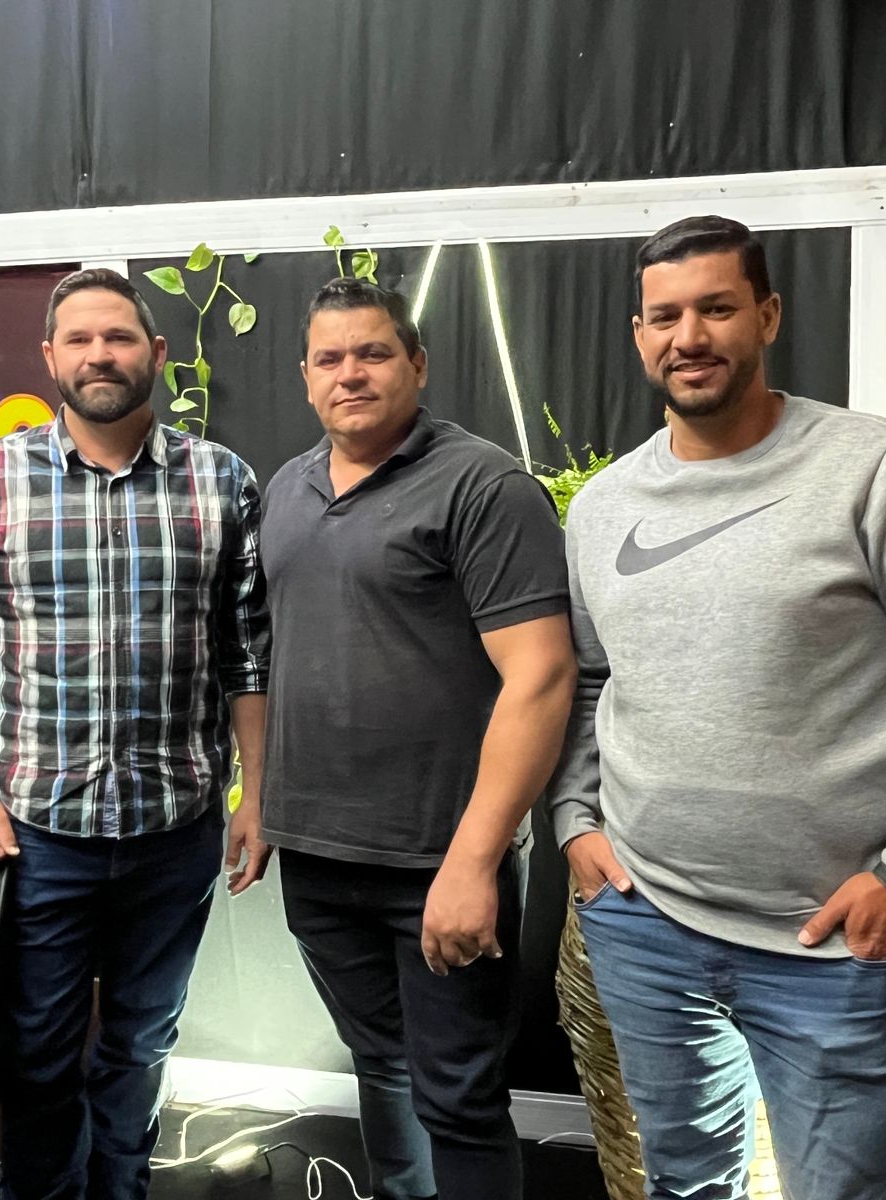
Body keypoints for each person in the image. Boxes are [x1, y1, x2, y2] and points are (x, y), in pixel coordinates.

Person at [549, 216, 886, 1200]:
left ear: (769, 315)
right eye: (665, 316)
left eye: (716, 308)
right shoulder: (605, 506)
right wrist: (575, 819)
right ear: (639, 334)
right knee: (681, 1185)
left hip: (828, 947)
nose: (689, 336)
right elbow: (595, 675)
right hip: (644, 925)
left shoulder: (871, 468)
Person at [0, 267, 271, 1200]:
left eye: (118, 337)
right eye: (79, 339)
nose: (99, 355)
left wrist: (257, 796)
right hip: (37, 834)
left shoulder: (221, 481)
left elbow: (249, 658)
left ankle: (122, 1190)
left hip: (174, 831)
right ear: (50, 357)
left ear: (156, 353)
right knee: (35, 1054)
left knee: (141, 1043)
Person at [259, 278, 578, 1200]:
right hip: (318, 860)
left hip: (439, 861)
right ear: (306, 377)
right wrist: (261, 801)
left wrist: (474, 862)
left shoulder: (484, 486)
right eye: (330, 359)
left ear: (418, 364)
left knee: (460, 1097)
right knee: (382, 1069)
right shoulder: (288, 489)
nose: (350, 374)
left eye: (373, 353)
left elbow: (542, 676)